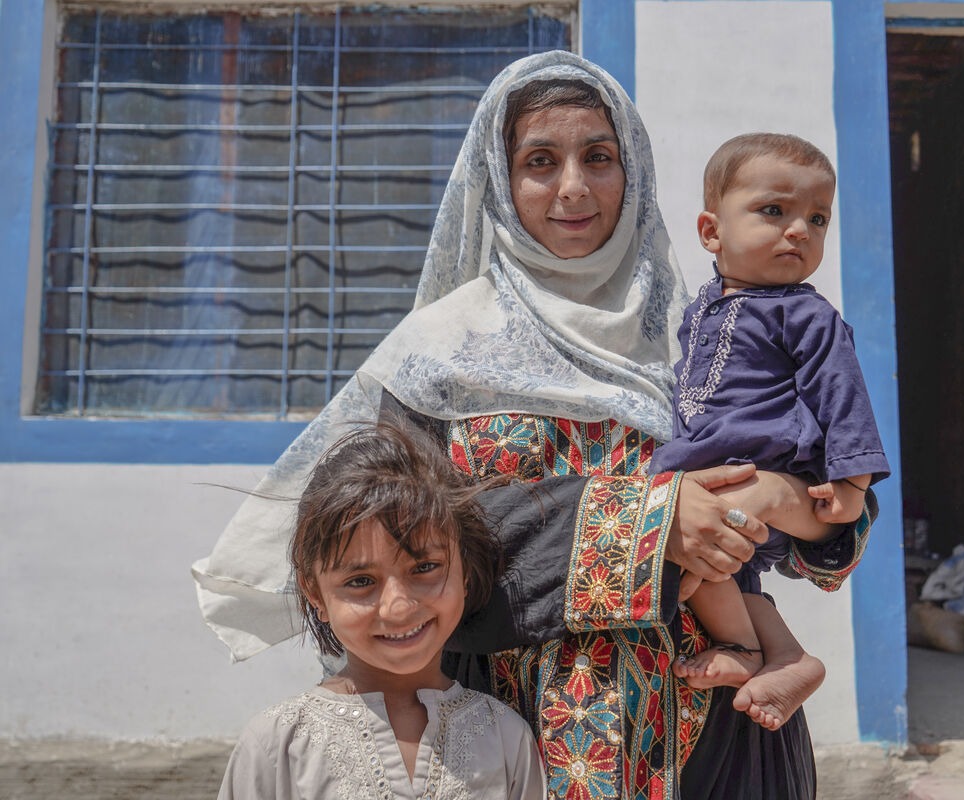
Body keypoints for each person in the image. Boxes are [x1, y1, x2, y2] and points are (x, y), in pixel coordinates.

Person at [193, 51, 874, 800]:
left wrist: (782, 501)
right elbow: (397, 532)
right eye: (541, 161)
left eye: (600, 157)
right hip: (507, 732)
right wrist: (650, 521)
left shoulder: (700, 335)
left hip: (715, 729)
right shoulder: (444, 348)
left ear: (634, 173)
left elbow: (829, 533)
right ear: (498, 178)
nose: (573, 187)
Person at [651, 133, 891, 732]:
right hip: (708, 469)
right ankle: (786, 656)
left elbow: (844, 397)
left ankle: (747, 650)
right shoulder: (699, 307)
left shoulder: (805, 314)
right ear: (711, 232)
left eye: (817, 218)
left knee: (688, 564)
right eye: (774, 211)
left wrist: (853, 481)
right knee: (731, 569)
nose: (800, 231)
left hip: (762, 470)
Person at [217, 419, 546, 799]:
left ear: (465, 571)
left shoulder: (504, 738)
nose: (397, 608)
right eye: (360, 581)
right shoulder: (278, 746)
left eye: (424, 568)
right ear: (316, 594)